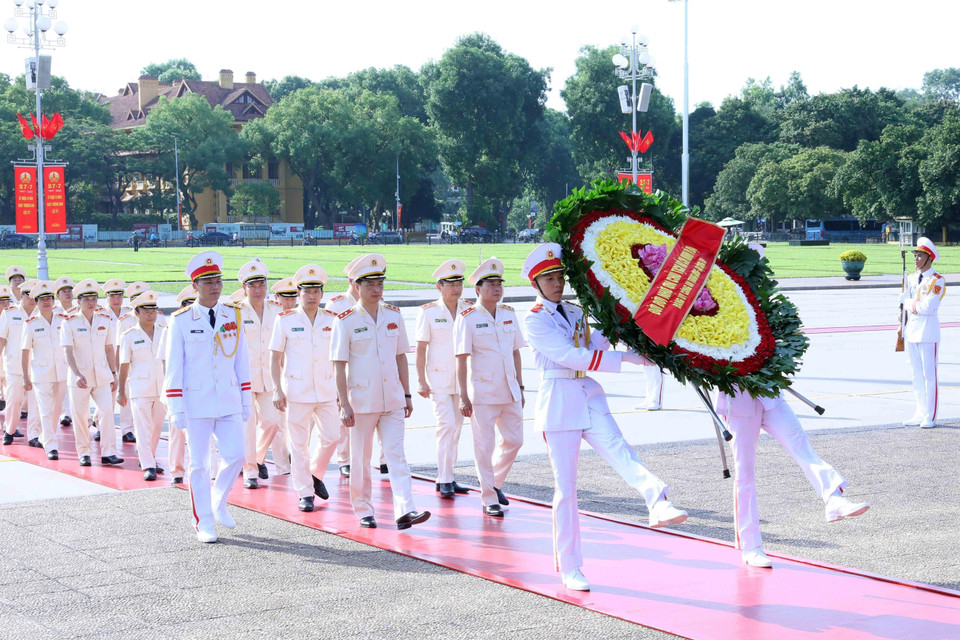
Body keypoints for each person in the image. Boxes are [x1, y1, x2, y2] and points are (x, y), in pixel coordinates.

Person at [521, 243, 688, 591]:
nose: (556, 283)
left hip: (587, 395)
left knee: (620, 449)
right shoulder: (534, 319)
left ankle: (657, 499)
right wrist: (625, 360)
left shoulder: (574, 311)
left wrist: (626, 331)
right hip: (559, 403)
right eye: (548, 278)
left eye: (559, 276)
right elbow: (569, 355)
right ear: (535, 283)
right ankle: (570, 567)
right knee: (566, 491)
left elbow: (597, 342)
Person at [330, 253, 429, 530]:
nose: (377, 289)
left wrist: (407, 394)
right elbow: (339, 365)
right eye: (370, 284)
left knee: (396, 454)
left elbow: (401, 357)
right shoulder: (345, 320)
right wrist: (343, 404)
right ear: (357, 286)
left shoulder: (394, 315)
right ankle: (363, 509)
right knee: (360, 459)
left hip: (393, 398)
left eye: (380, 283)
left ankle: (405, 510)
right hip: (361, 400)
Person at [717, 389, 870, 568]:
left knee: (801, 444)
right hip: (738, 402)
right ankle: (750, 546)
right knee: (745, 472)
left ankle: (833, 499)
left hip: (769, 394)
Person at [164, 251, 252, 543]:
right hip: (196, 402)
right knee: (199, 465)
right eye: (208, 281)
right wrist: (175, 405)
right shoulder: (181, 321)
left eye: (218, 280)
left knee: (237, 455)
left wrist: (245, 398)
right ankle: (203, 522)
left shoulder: (234, 314)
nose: (215, 286)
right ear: (195, 286)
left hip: (227, 398)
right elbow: (174, 367)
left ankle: (218, 499)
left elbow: (242, 361)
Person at [454, 257, 524, 518]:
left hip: (510, 389)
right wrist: (463, 396)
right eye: (490, 284)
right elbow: (461, 359)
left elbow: (516, 351)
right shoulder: (468, 318)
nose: (496, 289)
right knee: (484, 446)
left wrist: (521, 385)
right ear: (478, 289)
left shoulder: (508, 314)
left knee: (515, 440)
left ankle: (494, 483)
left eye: (499, 284)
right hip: (482, 393)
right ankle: (488, 498)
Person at [270, 264, 340, 512]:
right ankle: (305, 493)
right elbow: (275, 358)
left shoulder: (333, 320)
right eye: (306, 291)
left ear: (322, 293)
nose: (311, 296)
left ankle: (315, 475)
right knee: (299, 444)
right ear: (298, 293)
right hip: (297, 390)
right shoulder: (285, 320)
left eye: (316, 291)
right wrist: (277, 390)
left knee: (333, 436)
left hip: (327, 389)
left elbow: (339, 358)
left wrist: (342, 392)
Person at [416, 259, 473, 498]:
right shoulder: (428, 312)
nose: (456, 288)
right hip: (438, 379)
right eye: (450, 284)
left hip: (462, 380)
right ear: (440, 286)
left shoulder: (469, 309)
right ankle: (445, 478)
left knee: (457, 430)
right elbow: (421, 348)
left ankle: (447, 476)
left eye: (459, 283)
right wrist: (420, 380)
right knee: (446, 426)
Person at [60, 279, 123, 467]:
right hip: (80, 377)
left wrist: (114, 373)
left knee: (106, 412)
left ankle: (109, 452)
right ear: (78, 301)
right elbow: (68, 351)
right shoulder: (69, 322)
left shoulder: (104, 319)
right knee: (80, 415)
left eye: (94, 298)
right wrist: (77, 373)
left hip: (102, 375)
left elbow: (109, 348)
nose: (91, 302)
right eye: (86, 299)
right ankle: (84, 453)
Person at [237, 259, 282, 489]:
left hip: (270, 377)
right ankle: (250, 472)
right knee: (248, 426)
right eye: (252, 286)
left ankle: (257, 458)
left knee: (272, 422)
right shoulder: (235, 312)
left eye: (261, 285)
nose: (258, 290)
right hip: (244, 378)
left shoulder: (278, 310)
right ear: (244, 288)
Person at [118, 291, 167, 481]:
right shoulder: (129, 335)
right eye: (146, 310)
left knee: (156, 427)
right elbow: (124, 364)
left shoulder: (164, 331)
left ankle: (150, 458)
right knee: (142, 428)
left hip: (161, 387)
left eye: (153, 310)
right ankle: (147, 465)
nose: (151, 314)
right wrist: (121, 390)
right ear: (137, 313)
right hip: (140, 388)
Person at [899, 237, 945, 429]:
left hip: (927, 332)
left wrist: (907, 302)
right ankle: (919, 412)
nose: (916, 259)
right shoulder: (911, 279)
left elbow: (927, 307)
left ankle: (930, 416)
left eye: (920, 256)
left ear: (929, 258)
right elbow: (905, 309)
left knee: (929, 376)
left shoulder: (937, 281)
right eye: (915, 256)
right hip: (912, 332)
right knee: (916, 375)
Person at [20, 281, 69, 461]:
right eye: (42, 299)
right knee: (46, 410)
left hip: (61, 371)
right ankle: (50, 444)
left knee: (56, 409)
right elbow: (25, 352)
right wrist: (26, 376)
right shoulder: (31, 324)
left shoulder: (63, 320)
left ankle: (44, 435)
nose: (46, 302)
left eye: (49, 298)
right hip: (41, 374)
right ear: (37, 302)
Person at [0, 282, 35, 446]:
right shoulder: (9, 314)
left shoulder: (43, 314)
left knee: (35, 403)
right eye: (29, 295)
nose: (32, 299)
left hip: (37, 367)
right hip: (14, 366)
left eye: (36, 295)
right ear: (22, 296)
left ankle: (35, 435)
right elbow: (1, 340)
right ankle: (10, 430)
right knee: (14, 400)